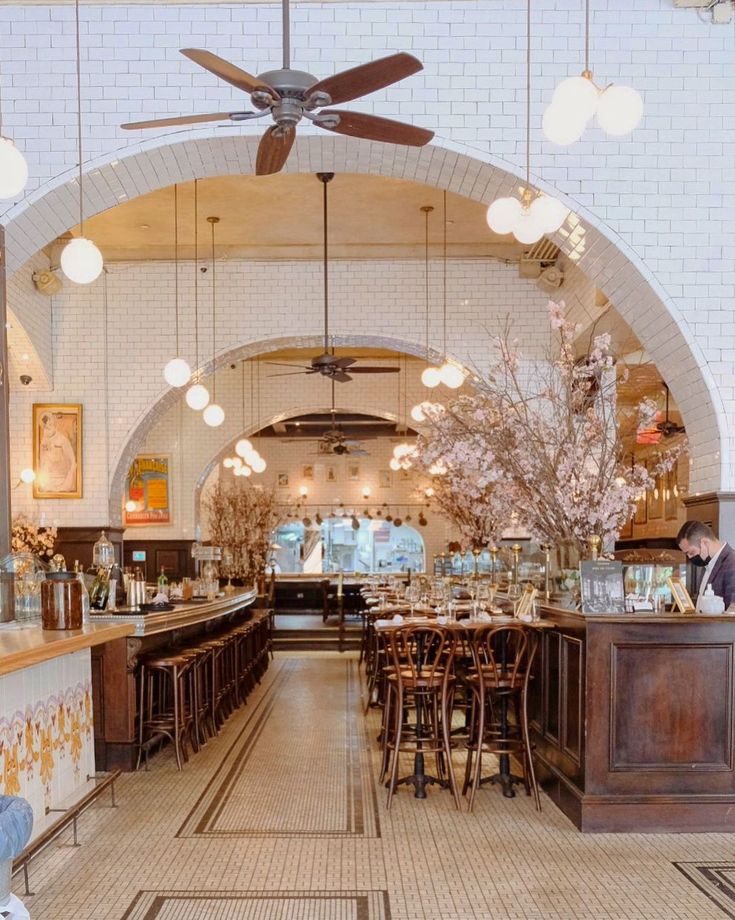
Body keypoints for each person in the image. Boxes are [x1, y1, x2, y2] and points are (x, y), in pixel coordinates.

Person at [677, 520, 735, 610]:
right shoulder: (707, 564)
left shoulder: (732, 563)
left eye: (691, 552)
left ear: (705, 543)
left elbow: (732, 610)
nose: (689, 557)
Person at [38, 412, 77, 493]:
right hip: (48, 483)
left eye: (50, 424)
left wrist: (67, 483)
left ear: (54, 424)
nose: (48, 428)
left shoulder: (63, 440)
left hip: (62, 481)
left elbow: (72, 462)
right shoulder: (43, 442)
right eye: (46, 426)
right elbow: (42, 463)